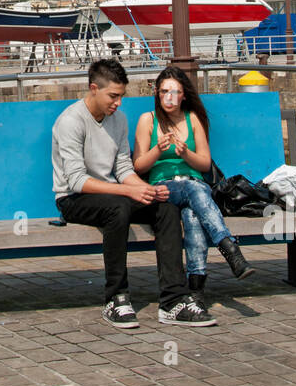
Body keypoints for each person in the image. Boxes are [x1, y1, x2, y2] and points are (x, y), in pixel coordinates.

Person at [53, 59, 214, 329]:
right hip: (73, 198)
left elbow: (123, 167)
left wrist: (145, 189)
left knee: (165, 205)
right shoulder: (71, 121)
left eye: (121, 97)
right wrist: (128, 191)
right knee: (119, 208)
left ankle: (174, 300)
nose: (118, 103)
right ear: (94, 88)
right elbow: (78, 181)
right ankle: (116, 297)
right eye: (113, 96)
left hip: (112, 194)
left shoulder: (119, 120)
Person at [133, 65, 255, 313]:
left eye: (175, 92)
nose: (170, 97)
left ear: (183, 95)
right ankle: (229, 248)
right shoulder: (148, 120)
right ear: (157, 93)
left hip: (194, 186)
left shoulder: (193, 119)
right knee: (194, 190)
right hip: (164, 187)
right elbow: (138, 165)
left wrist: (185, 153)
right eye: (165, 91)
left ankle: (196, 291)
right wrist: (159, 149)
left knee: (193, 217)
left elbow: (204, 163)